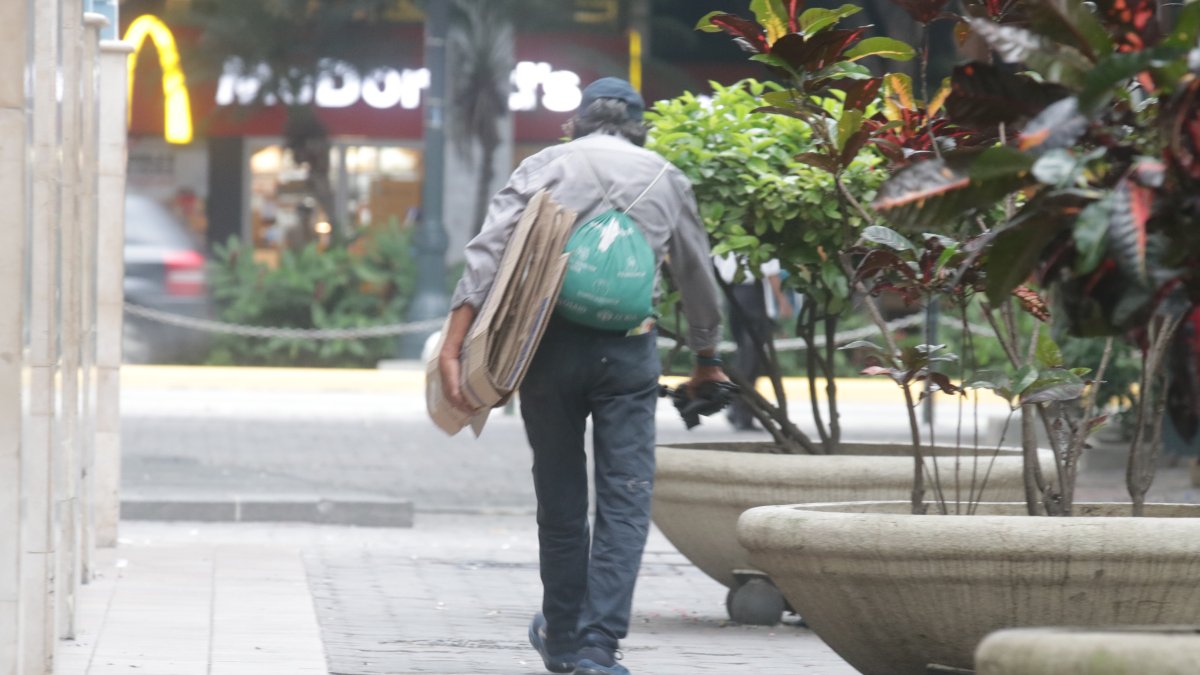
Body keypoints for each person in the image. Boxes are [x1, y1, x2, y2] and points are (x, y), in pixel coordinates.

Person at [437, 77, 727, 675]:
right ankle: (598, 647)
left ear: (578, 120)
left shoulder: (546, 164)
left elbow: (487, 252)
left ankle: (563, 637)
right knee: (624, 497)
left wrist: (454, 343)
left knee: (562, 498)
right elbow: (698, 276)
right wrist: (706, 356)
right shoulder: (666, 176)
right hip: (629, 353)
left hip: (547, 347)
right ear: (639, 124)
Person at [713, 255, 792, 431]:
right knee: (750, 360)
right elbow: (771, 272)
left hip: (732, 293)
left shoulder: (726, 240)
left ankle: (740, 409)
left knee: (745, 355)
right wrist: (782, 301)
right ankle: (739, 410)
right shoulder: (757, 242)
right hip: (753, 295)